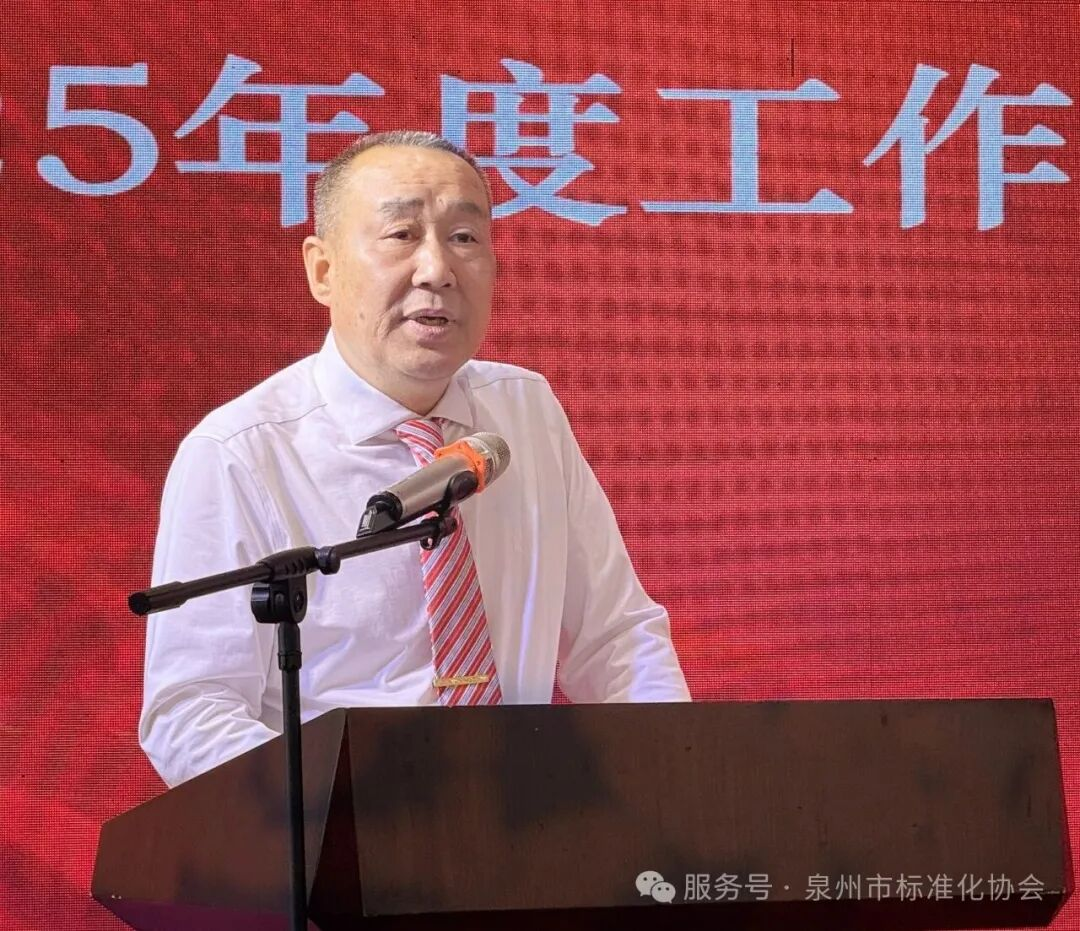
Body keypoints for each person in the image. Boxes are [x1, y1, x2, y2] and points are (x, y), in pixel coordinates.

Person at [140, 130, 690, 787]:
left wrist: (675, 781)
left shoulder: (525, 411)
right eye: (401, 235)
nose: (437, 270)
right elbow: (190, 712)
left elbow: (615, 638)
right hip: (343, 828)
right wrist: (346, 815)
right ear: (323, 270)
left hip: (524, 822)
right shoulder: (241, 453)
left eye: (464, 237)